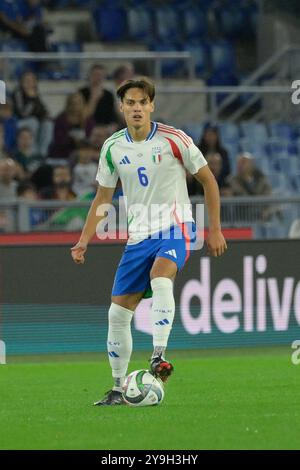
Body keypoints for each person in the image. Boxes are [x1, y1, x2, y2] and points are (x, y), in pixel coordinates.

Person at [71, 77, 227, 406]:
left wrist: (214, 229)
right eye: (131, 103)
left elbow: (208, 180)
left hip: (176, 226)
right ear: (122, 108)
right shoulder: (113, 147)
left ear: (152, 106)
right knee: (117, 314)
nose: (137, 108)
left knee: (161, 274)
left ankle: (158, 355)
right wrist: (84, 239)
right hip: (138, 237)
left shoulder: (175, 139)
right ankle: (116, 388)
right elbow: (103, 197)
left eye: (143, 102)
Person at [12, 71, 53, 156]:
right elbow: (22, 114)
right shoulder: (17, 93)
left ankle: (42, 153)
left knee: (48, 124)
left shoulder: (35, 94)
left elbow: (43, 111)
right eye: (27, 81)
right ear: (21, 82)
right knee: (33, 121)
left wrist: (46, 117)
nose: (29, 84)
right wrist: (31, 99)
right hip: (17, 122)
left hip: (33, 122)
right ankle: (32, 152)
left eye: (32, 81)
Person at [48, 92, 94, 160]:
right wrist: (72, 140)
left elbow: (91, 137)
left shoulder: (88, 120)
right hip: (63, 153)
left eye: (78, 103)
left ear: (83, 104)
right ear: (69, 105)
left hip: (83, 153)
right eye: (73, 103)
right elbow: (58, 140)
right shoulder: (61, 120)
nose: (76, 106)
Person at [78, 64, 120, 129]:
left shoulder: (108, 94)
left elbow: (113, 118)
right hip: (87, 128)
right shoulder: (81, 93)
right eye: (95, 75)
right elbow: (83, 117)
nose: (98, 78)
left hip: (105, 129)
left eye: (101, 75)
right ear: (90, 76)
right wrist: (93, 99)